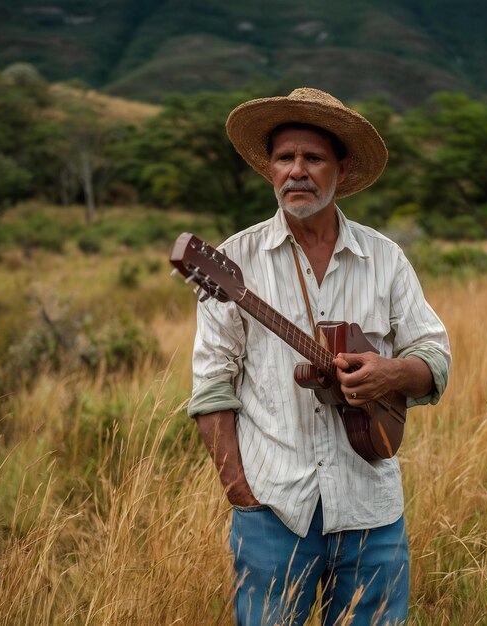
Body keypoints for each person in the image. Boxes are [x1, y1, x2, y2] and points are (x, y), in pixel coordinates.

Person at [188, 87, 451, 626]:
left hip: (372, 513)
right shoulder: (232, 263)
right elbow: (212, 388)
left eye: (313, 158)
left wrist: (389, 372)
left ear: (341, 168)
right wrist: (241, 494)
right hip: (273, 514)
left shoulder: (385, 257)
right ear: (270, 169)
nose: (297, 171)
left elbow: (434, 357)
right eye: (285, 158)